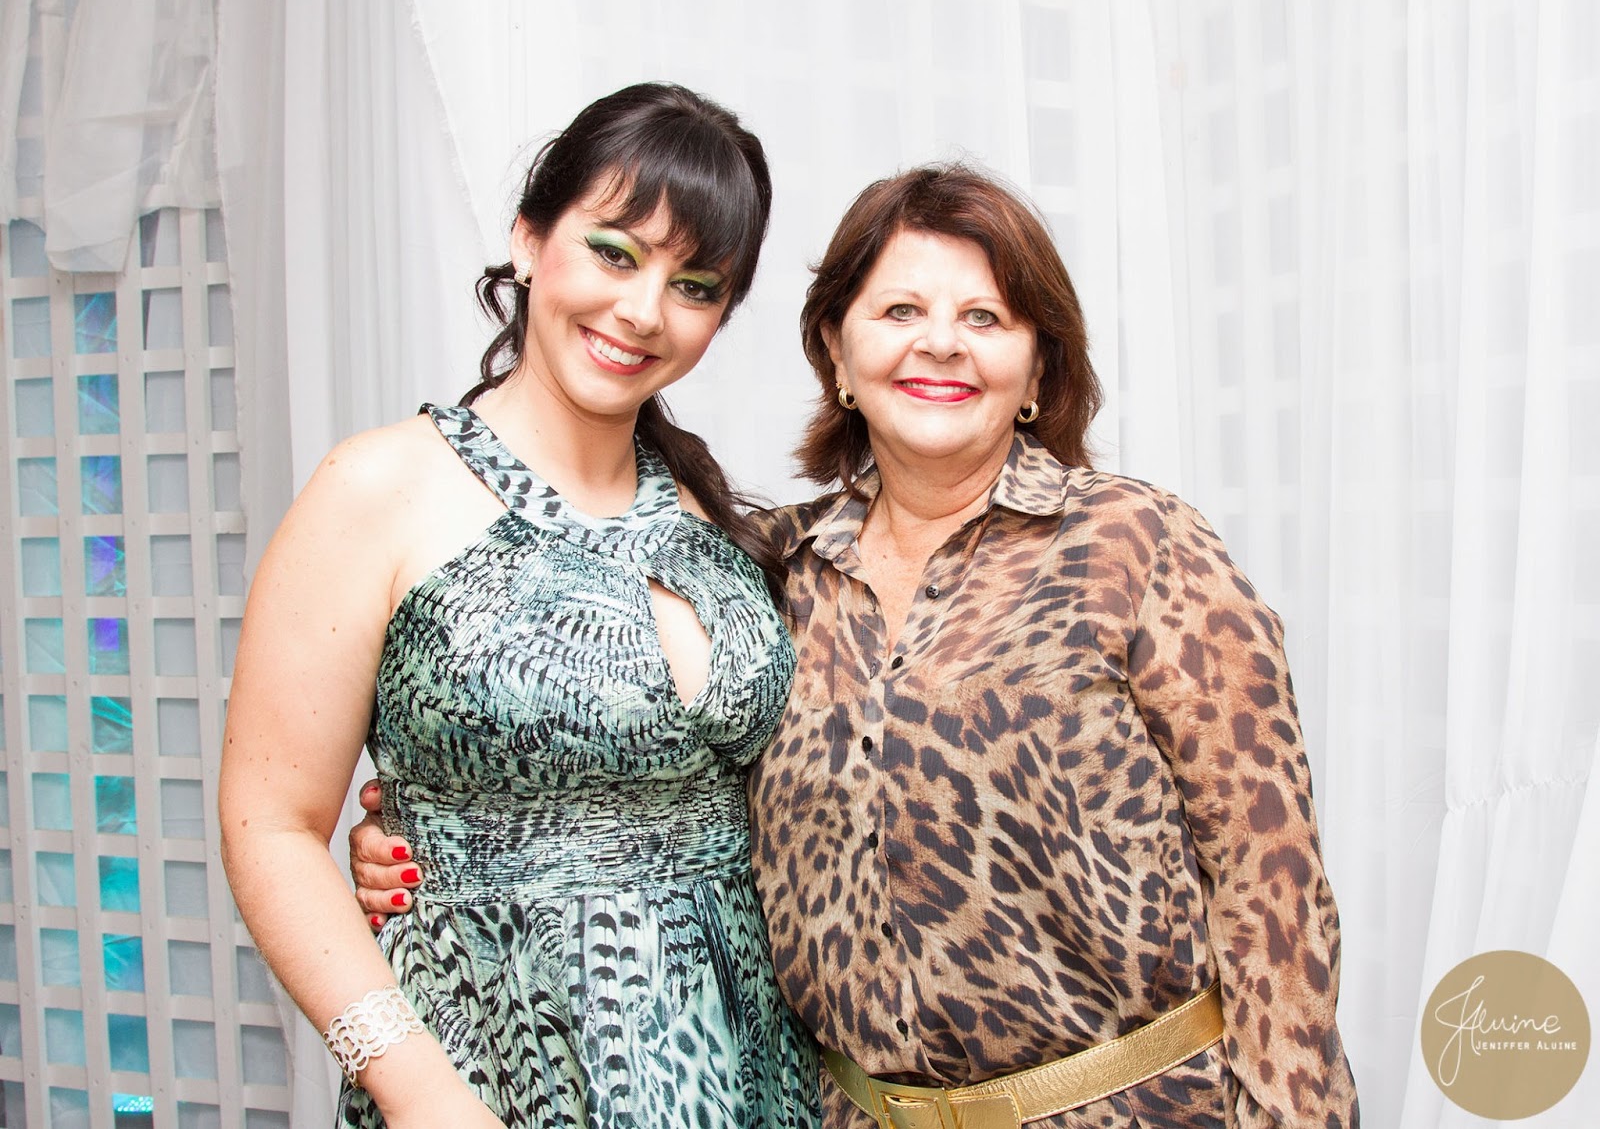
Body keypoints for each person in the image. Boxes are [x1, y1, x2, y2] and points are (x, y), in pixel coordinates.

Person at [353, 165, 1360, 1127]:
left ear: (1037, 365)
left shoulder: (1136, 545)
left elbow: (1271, 885)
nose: (941, 344)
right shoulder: (765, 573)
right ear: (835, 352)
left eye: (985, 318)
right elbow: (658, 785)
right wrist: (439, 835)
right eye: (899, 311)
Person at [218, 82, 821, 1129]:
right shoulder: (379, 487)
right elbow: (269, 824)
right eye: (615, 253)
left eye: (694, 284)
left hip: (748, 1076)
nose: (643, 311)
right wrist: (415, 1093)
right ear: (529, 237)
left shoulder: (717, 520)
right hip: (492, 1076)